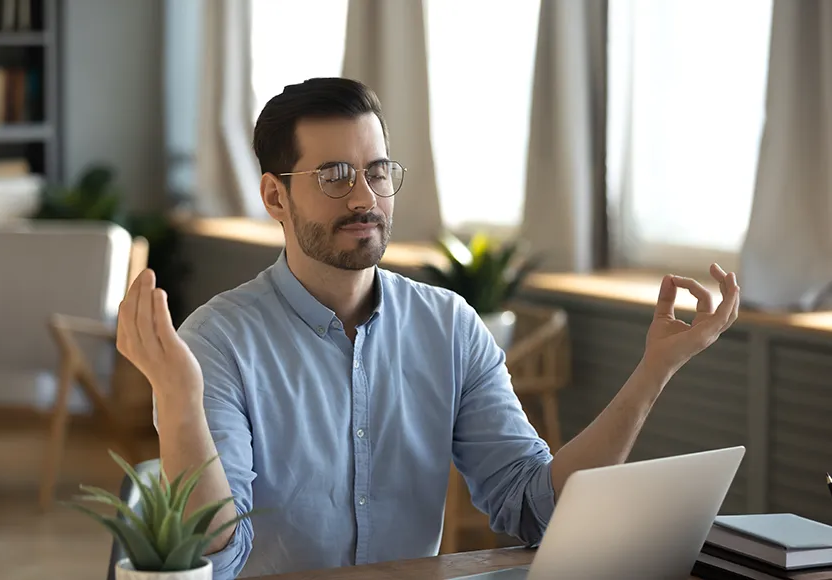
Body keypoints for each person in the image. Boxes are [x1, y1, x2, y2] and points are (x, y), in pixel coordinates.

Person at [116, 77, 740, 579]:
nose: (365, 197)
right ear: (276, 198)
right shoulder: (218, 341)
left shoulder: (450, 326)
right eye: (334, 176)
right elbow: (215, 560)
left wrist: (656, 367)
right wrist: (178, 401)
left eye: (377, 171)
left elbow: (536, 508)